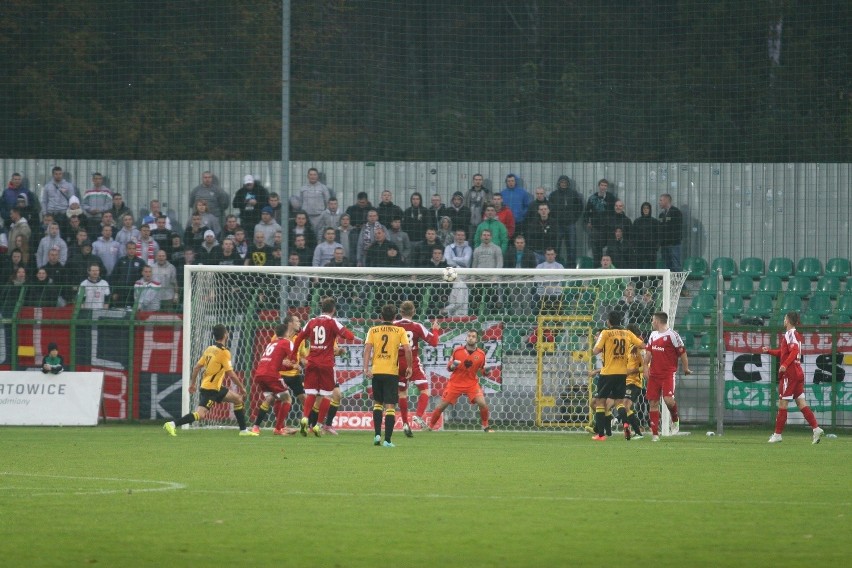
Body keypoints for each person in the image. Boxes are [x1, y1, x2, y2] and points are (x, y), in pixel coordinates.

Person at [163, 324, 257, 436]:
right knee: (200, 414)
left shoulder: (210, 349)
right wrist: (242, 387)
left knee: (237, 399)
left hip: (213, 387)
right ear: (226, 335)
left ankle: (243, 431)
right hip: (211, 389)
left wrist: (192, 384)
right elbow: (231, 374)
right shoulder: (224, 352)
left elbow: (197, 367)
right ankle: (172, 424)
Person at [292, 297, 358, 436]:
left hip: (312, 362)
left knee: (311, 393)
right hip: (327, 363)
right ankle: (319, 425)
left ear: (321, 308)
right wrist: (344, 333)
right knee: (327, 395)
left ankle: (304, 418)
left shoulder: (312, 321)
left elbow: (299, 338)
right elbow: (350, 336)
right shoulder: (332, 322)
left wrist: (293, 356)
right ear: (333, 310)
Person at [762, 311, 824, 444]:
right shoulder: (794, 335)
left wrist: (784, 365)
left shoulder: (790, 333)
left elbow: (794, 350)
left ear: (788, 320)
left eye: (785, 318)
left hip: (789, 374)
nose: (784, 320)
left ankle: (778, 435)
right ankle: (816, 428)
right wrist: (769, 351)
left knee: (783, 404)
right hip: (797, 373)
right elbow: (784, 352)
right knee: (801, 403)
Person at [590, 311, 645, 441]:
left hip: (608, 372)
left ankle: (601, 434)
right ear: (620, 321)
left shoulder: (606, 333)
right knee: (619, 402)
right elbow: (642, 345)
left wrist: (600, 344)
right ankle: (625, 423)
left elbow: (595, 351)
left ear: (609, 322)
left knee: (600, 402)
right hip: (622, 374)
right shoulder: (628, 333)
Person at [363, 304, 412, 447]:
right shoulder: (400, 330)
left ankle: (377, 435)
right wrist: (409, 366)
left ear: (381, 316)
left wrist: (366, 368)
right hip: (391, 372)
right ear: (395, 317)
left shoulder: (373, 330)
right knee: (390, 405)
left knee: (377, 403)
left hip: (377, 371)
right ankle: (388, 440)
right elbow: (407, 349)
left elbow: (367, 349)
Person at [427, 329, 493, 432]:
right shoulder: (457, 351)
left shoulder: (481, 354)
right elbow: (449, 367)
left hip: (471, 383)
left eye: (473, 336)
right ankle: (430, 427)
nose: (471, 338)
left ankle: (486, 426)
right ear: (466, 338)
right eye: (469, 336)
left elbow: (483, 371)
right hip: (455, 383)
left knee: (482, 403)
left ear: (477, 339)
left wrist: (487, 372)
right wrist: (453, 366)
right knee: (441, 406)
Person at [394, 301, 441, 437]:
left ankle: (405, 423)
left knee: (402, 394)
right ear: (414, 312)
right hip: (412, 363)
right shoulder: (417, 327)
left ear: (400, 312)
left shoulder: (394, 326)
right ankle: (418, 415)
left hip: (397, 364)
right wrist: (435, 330)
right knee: (425, 390)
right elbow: (434, 342)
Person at [643, 311, 692, 441]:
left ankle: (675, 418)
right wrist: (645, 368)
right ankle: (655, 434)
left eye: (653, 320)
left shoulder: (673, 335)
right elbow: (648, 353)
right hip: (654, 374)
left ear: (658, 321)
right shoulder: (653, 335)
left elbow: (682, 352)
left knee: (668, 400)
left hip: (668, 374)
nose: (652, 322)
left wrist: (686, 368)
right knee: (653, 402)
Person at [248, 323, 299, 435]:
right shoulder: (287, 342)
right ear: (287, 333)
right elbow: (294, 358)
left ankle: (256, 427)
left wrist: (286, 365)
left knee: (271, 398)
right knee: (287, 399)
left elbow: (273, 363)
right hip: (271, 375)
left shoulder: (271, 343)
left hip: (260, 374)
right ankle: (278, 428)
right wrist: (293, 364)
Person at [548, 175, 584, 267]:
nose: (563, 184)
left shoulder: (574, 194)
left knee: (571, 248)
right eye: (561, 182)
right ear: (559, 183)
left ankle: (571, 269)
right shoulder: (553, 195)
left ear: (568, 183)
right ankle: (556, 268)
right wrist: (554, 219)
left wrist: (574, 218)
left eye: (565, 182)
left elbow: (580, 207)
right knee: (556, 248)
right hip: (558, 225)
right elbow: (549, 209)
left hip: (570, 225)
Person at [583, 178, 617, 266]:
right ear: (599, 186)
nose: (603, 187)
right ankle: (596, 274)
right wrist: (588, 222)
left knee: (609, 253)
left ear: (607, 187)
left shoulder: (611, 198)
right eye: (602, 185)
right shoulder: (592, 198)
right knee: (596, 253)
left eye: (605, 185)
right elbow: (586, 212)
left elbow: (615, 211)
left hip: (608, 230)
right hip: (596, 229)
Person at [621, 324, 647, 440]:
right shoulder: (628, 346)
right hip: (622, 380)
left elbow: (646, 366)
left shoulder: (639, 347)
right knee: (622, 406)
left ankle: (634, 430)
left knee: (625, 405)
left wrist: (632, 370)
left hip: (634, 381)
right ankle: (635, 430)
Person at [111, 241, 147, 308]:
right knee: (120, 310)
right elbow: (114, 277)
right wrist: (114, 292)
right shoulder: (120, 261)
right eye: (129, 248)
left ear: (136, 249)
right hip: (121, 291)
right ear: (126, 250)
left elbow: (144, 277)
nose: (131, 250)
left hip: (134, 292)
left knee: (132, 312)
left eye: (133, 248)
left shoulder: (141, 262)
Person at [658, 193, 683, 272]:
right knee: (667, 267)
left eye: (661, 200)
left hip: (673, 245)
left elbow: (677, 229)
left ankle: (679, 284)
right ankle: (669, 284)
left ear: (666, 200)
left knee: (675, 266)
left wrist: (672, 240)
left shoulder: (676, 212)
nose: (659, 202)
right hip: (665, 246)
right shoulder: (661, 215)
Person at [632, 201, 659, 270]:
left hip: (651, 249)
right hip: (639, 249)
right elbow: (633, 235)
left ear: (650, 210)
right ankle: (640, 280)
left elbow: (658, 235)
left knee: (652, 267)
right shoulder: (637, 221)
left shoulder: (655, 222)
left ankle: (653, 280)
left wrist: (656, 247)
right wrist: (634, 247)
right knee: (639, 267)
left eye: (647, 208)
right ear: (642, 210)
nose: (646, 210)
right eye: (644, 208)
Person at [465, 173, 491, 237]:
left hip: (482, 222)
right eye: (476, 180)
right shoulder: (469, 193)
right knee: (471, 240)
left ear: (482, 181)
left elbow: (489, 205)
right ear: (473, 181)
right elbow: (465, 205)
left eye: (480, 180)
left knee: (481, 239)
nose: (478, 181)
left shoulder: (486, 192)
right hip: (470, 223)